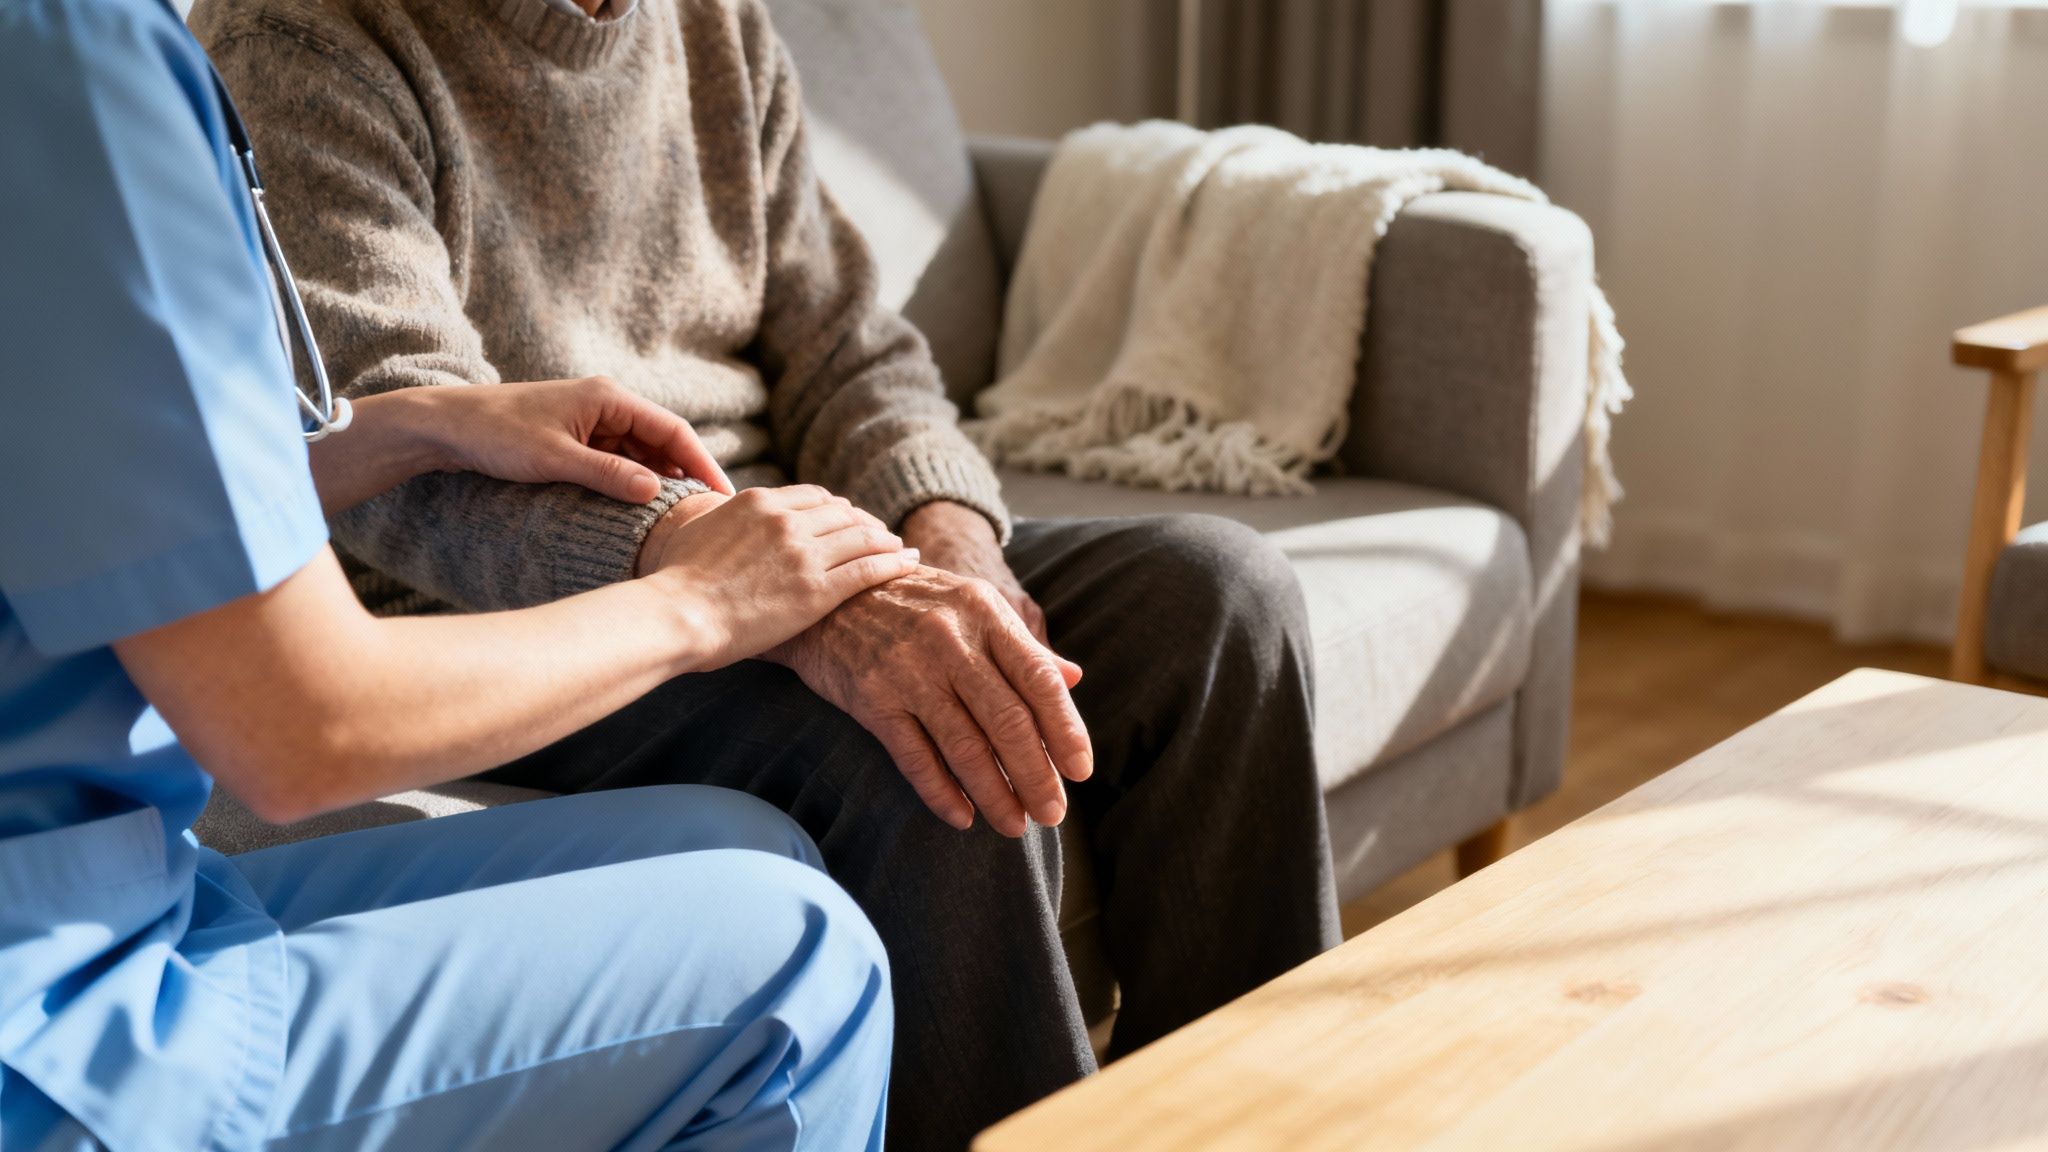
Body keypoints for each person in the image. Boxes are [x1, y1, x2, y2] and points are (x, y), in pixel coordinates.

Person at [191, 0, 1343, 1144]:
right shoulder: (300, 42)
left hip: (790, 543)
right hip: (519, 616)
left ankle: (1249, 1128)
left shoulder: (713, 23)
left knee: (1216, 596)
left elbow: (849, 350)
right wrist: (749, 578)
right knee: (917, 733)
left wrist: (950, 539)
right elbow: (401, 457)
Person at [0, 0, 911, 1146]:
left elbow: (95, 470)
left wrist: (417, 423)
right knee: (797, 962)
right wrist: (705, 601)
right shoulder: (74, 66)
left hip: (113, 883)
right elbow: (301, 729)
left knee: (740, 847)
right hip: (52, 1004)